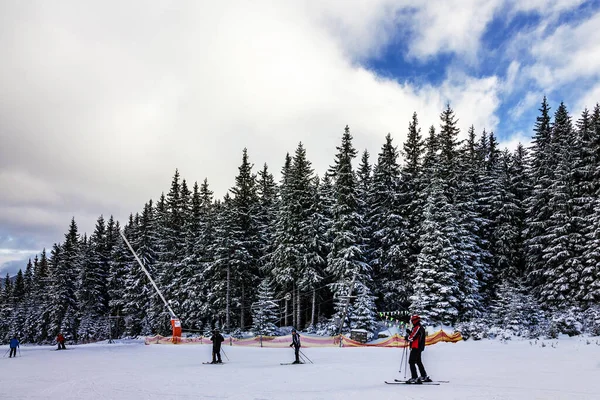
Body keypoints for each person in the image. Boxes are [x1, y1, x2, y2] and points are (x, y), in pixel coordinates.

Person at [405, 315, 431, 384]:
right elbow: (416, 336)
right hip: (418, 347)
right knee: (418, 361)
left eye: (412, 320)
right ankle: (423, 375)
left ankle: (414, 377)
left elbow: (412, 337)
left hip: (416, 347)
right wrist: (409, 332)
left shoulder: (417, 327)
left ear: (415, 320)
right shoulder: (419, 327)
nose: (412, 322)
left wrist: (407, 337)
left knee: (411, 361)